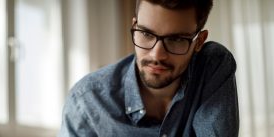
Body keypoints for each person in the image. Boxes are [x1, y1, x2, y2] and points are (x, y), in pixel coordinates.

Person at [58, 0, 239, 136]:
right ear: (134, 26)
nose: (156, 55)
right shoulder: (87, 102)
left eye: (176, 39)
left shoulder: (212, 65)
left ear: (199, 41)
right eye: (146, 34)